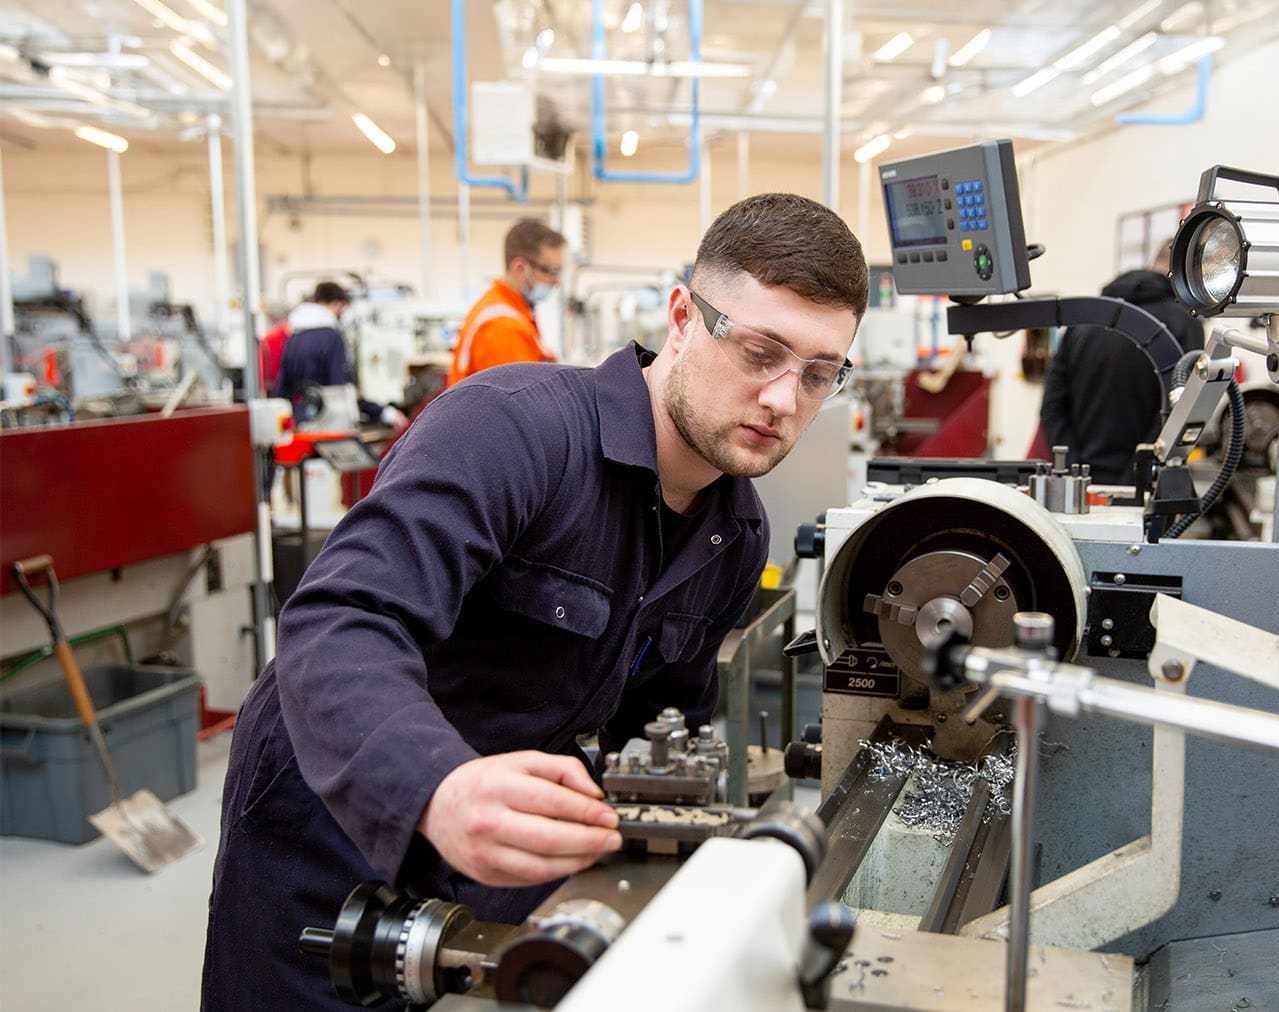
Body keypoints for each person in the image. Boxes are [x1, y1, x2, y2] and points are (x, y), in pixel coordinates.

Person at [201, 192, 868, 1009]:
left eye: (818, 373)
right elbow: (340, 619)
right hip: (334, 813)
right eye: (761, 351)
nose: (782, 399)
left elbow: (661, 726)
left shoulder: (735, 535)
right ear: (683, 318)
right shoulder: (511, 431)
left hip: (507, 838)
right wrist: (436, 786)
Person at [1040, 245, 1205, 484]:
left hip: (1079, 486)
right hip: (1143, 488)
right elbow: (1181, 410)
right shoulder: (1185, 323)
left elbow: (1052, 406)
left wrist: (1074, 470)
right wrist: (1136, 479)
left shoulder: (1086, 319)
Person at [446, 218, 567, 386]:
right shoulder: (504, 327)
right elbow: (521, 404)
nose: (557, 281)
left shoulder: (508, 308)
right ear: (520, 268)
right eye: (551, 271)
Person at [274, 280, 407, 431]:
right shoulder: (332, 337)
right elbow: (341, 389)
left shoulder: (293, 338)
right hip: (328, 427)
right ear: (337, 304)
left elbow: (282, 390)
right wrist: (385, 413)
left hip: (300, 425)